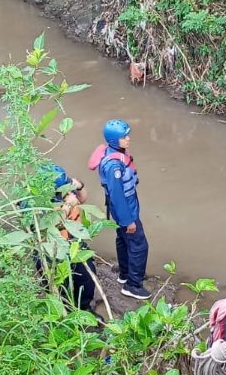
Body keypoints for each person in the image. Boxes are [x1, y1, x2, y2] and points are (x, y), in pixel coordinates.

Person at [88, 120, 149, 300]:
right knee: (139, 245)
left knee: (123, 239)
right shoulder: (114, 165)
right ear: (115, 141)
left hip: (123, 206)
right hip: (125, 208)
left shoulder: (115, 153)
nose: (128, 139)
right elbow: (117, 195)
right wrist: (128, 220)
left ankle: (125, 274)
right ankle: (133, 285)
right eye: (124, 137)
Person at [32, 163, 98, 312]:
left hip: (75, 246)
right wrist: (67, 206)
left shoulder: (65, 187)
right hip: (52, 253)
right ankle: (65, 317)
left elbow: (82, 198)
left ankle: (84, 309)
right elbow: (50, 224)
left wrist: (79, 186)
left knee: (86, 280)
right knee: (59, 288)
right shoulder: (36, 203)